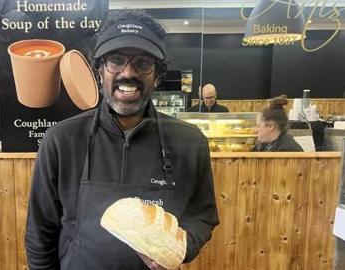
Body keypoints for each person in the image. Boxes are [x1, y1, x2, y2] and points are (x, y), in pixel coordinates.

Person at [25, 9, 219, 270]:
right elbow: (40, 234)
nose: (128, 73)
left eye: (143, 62)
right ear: (99, 71)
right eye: (115, 60)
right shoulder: (61, 141)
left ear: (158, 75)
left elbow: (202, 214)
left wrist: (180, 249)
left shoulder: (190, 142)